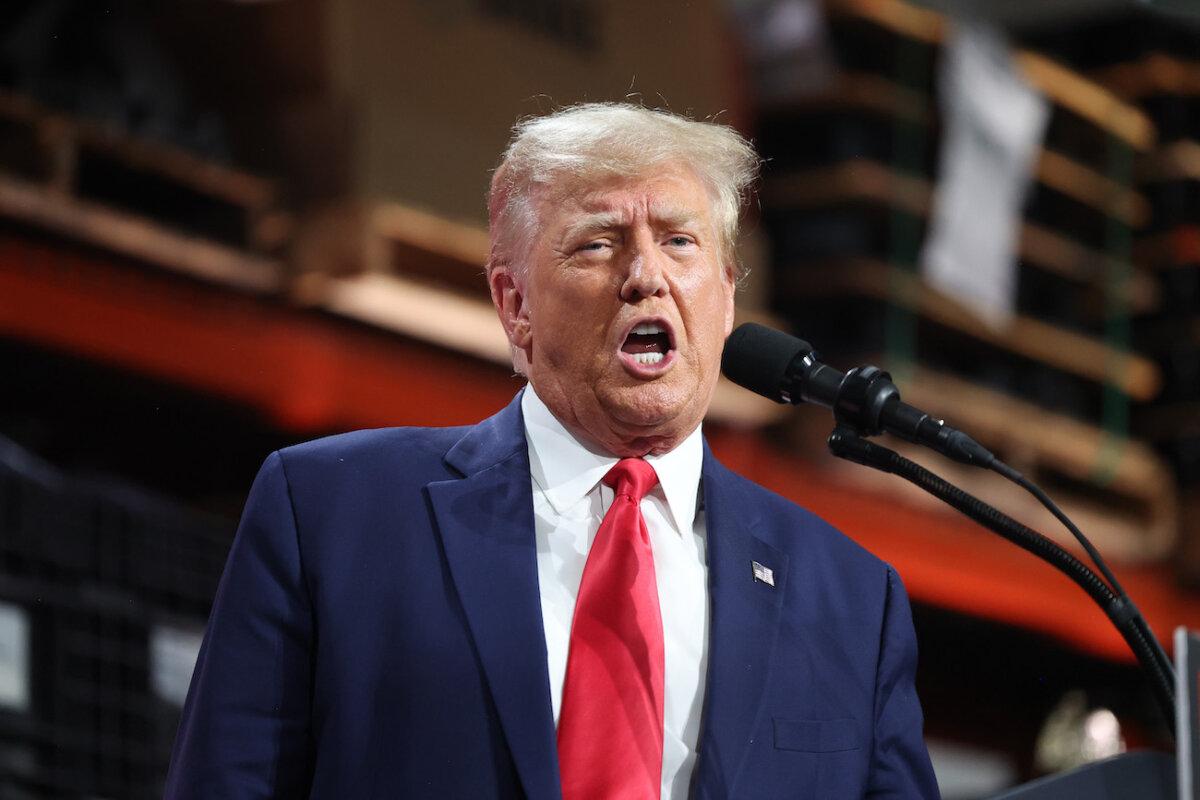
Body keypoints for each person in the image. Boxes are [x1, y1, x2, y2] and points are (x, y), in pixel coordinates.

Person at [164, 103, 940, 799]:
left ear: (728, 294)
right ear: (515, 305)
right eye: (598, 245)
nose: (646, 277)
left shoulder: (850, 601)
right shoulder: (331, 512)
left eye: (679, 241)